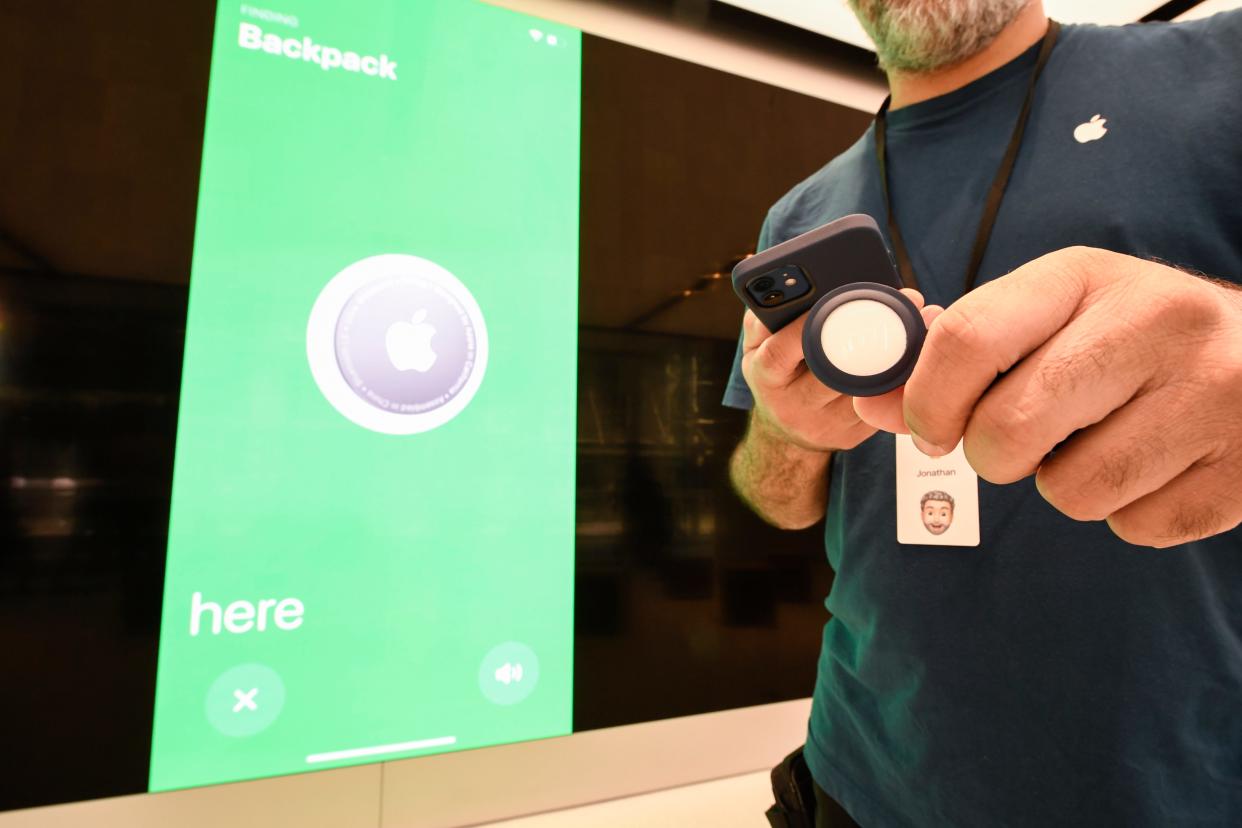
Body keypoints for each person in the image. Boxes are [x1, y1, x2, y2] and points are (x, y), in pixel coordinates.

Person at [723, 2, 1242, 825]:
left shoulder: (1224, 67)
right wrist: (787, 434)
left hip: (1174, 785)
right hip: (858, 776)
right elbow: (774, 500)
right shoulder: (800, 217)